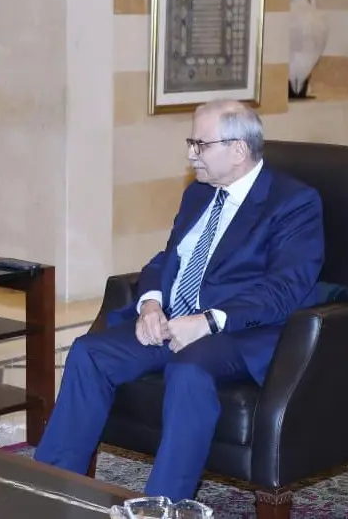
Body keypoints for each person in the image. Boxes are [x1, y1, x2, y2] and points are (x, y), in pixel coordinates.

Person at [33, 100, 325, 500]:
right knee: (89, 353)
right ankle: (50, 491)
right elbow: (167, 258)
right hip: (173, 320)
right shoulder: (199, 194)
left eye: (200, 144)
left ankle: (163, 506)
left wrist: (208, 321)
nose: (191, 154)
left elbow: (285, 289)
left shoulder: (293, 203)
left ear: (238, 150)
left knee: (189, 370)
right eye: (191, 143)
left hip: (237, 332)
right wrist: (151, 303)